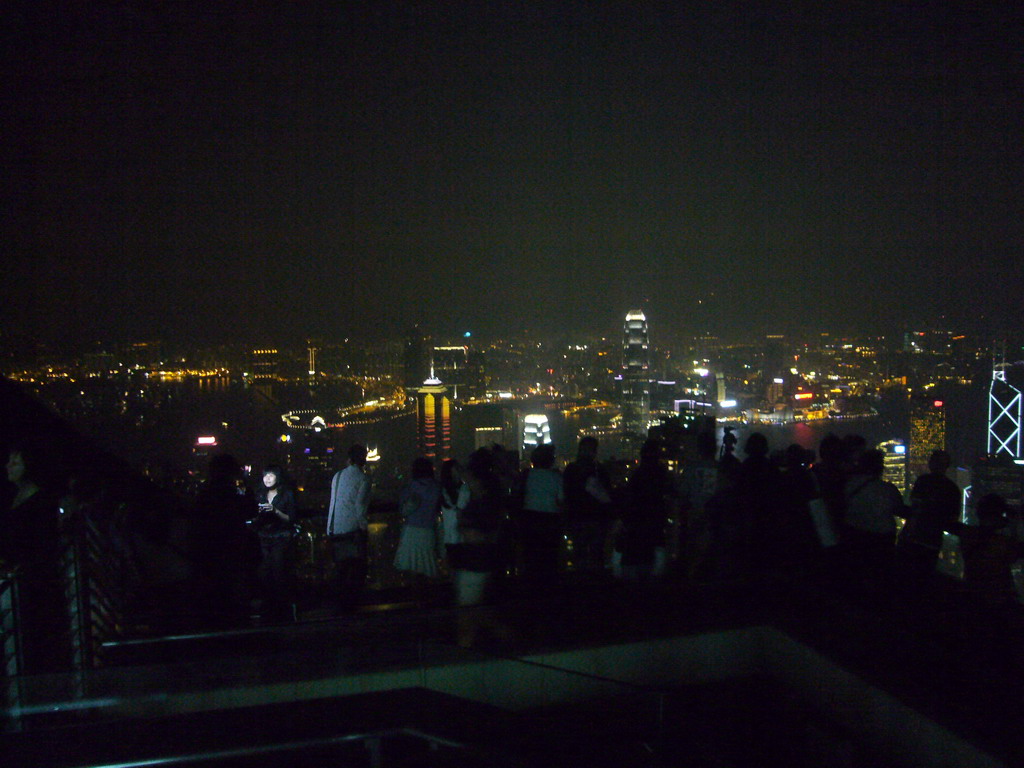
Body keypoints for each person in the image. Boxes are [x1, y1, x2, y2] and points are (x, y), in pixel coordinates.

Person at [1, 442, 70, 674]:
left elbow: (42, 544)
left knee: (36, 643)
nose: (8, 466)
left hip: (35, 585)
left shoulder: (39, 502)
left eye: (15, 462)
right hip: (22, 581)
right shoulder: (17, 498)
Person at [191, 453, 257, 626]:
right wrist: (246, 484)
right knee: (234, 593)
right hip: (232, 549)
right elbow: (250, 509)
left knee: (216, 596)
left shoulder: (205, 493)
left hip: (210, 551)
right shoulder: (228, 492)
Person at [615, 439, 672, 583]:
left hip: (637, 522)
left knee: (637, 557)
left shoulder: (638, 475)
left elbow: (629, 497)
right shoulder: (661, 475)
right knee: (654, 555)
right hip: (655, 521)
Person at [327, 444, 371, 614]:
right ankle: (352, 605)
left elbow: (333, 503)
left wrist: (329, 529)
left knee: (341, 570)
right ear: (364, 459)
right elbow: (360, 507)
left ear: (349, 459)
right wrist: (364, 527)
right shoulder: (364, 479)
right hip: (353, 530)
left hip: (336, 529)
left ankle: (340, 605)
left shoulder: (337, 476)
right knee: (357, 569)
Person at [253, 465, 297, 622]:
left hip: (281, 538)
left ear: (278, 477)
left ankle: (281, 611)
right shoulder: (260, 495)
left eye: (271, 475)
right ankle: (269, 610)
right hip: (263, 538)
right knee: (265, 575)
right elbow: (255, 520)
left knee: (279, 574)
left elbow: (291, 518)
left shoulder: (286, 494)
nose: (267, 479)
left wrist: (275, 511)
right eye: (265, 475)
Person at [563, 436, 612, 574]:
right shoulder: (600, 470)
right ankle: (596, 585)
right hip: (597, 518)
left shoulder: (571, 469)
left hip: (577, 517)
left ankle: (581, 585)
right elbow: (608, 495)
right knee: (596, 554)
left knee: (580, 554)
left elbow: (566, 494)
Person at [518, 443, 564, 584]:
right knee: (550, 557)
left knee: (531, 556)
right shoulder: (556, 477)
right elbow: (561, 499)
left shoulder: (526, 475)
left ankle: (531, 586)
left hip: (530, 519)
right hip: (551, 520)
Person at [394, 457, 442, 580]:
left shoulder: (411, 487)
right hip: (429, 531)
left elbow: (402, 509)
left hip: (411, 531)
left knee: (412, 568)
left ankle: (414, 595)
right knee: (427, 566)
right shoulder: (436, 487)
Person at [439, 459, 470, 566]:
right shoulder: (463, 489)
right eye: (456, 469)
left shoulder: (445, 491)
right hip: (459, 536)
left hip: (453, 536)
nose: (459, 471)